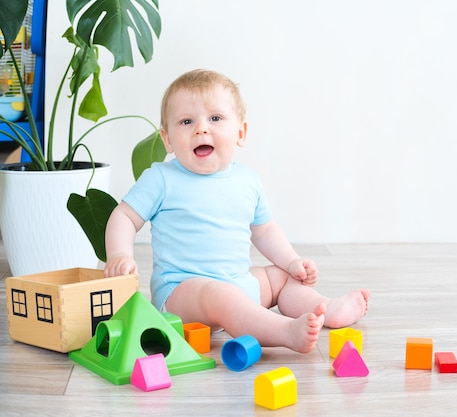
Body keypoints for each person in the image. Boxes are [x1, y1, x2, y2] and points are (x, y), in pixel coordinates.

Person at [104, 69, 369, 353]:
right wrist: (120, 255)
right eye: (186, 121)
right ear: (167, 140)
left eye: (215, 118)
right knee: (219, 294)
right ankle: (283, 331)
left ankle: (327, 309)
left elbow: (265, 230)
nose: (201, 129)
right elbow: (124, 216)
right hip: (183, 294)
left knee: (280, 278)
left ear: (240, 133)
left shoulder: (247, 181)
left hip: (238, 284)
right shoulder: (161, 178)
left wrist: (292, 261)